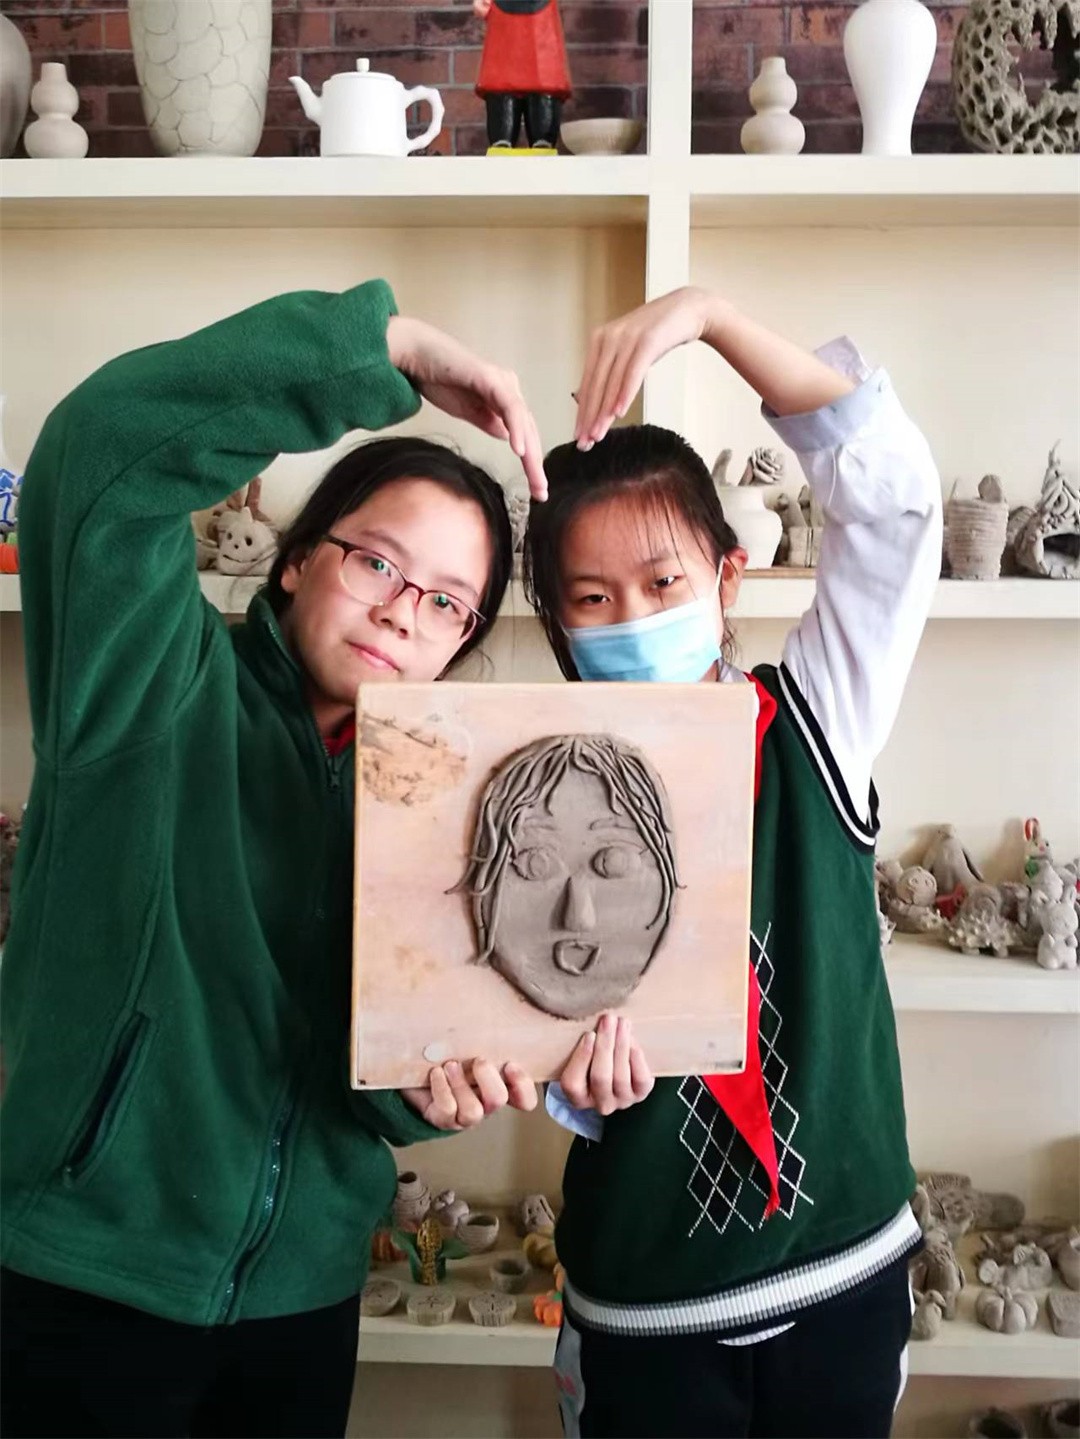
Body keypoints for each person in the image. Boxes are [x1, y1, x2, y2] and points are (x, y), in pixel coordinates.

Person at [0, 280, 551, 1439]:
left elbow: (374, 1071)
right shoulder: (150, 682)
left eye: (447, 603)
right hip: (88, 1279)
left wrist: (422, 1093)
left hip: (303, 1304)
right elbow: (98, 453)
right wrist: (382, 347)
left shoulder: (447, 805)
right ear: (298, 560)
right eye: (378, 564)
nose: (403, 613)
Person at [524, 285, 942, 1438]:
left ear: (727, 580)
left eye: (664, 583)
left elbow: (894, 502)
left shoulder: (816, 722)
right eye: (593, 598)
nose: (634, 616)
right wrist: (572, 1085)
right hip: (643, 1302)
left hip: (841, 1272)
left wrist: (710, 317)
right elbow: (507, 1008)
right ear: (558, 625)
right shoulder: (529, 792)